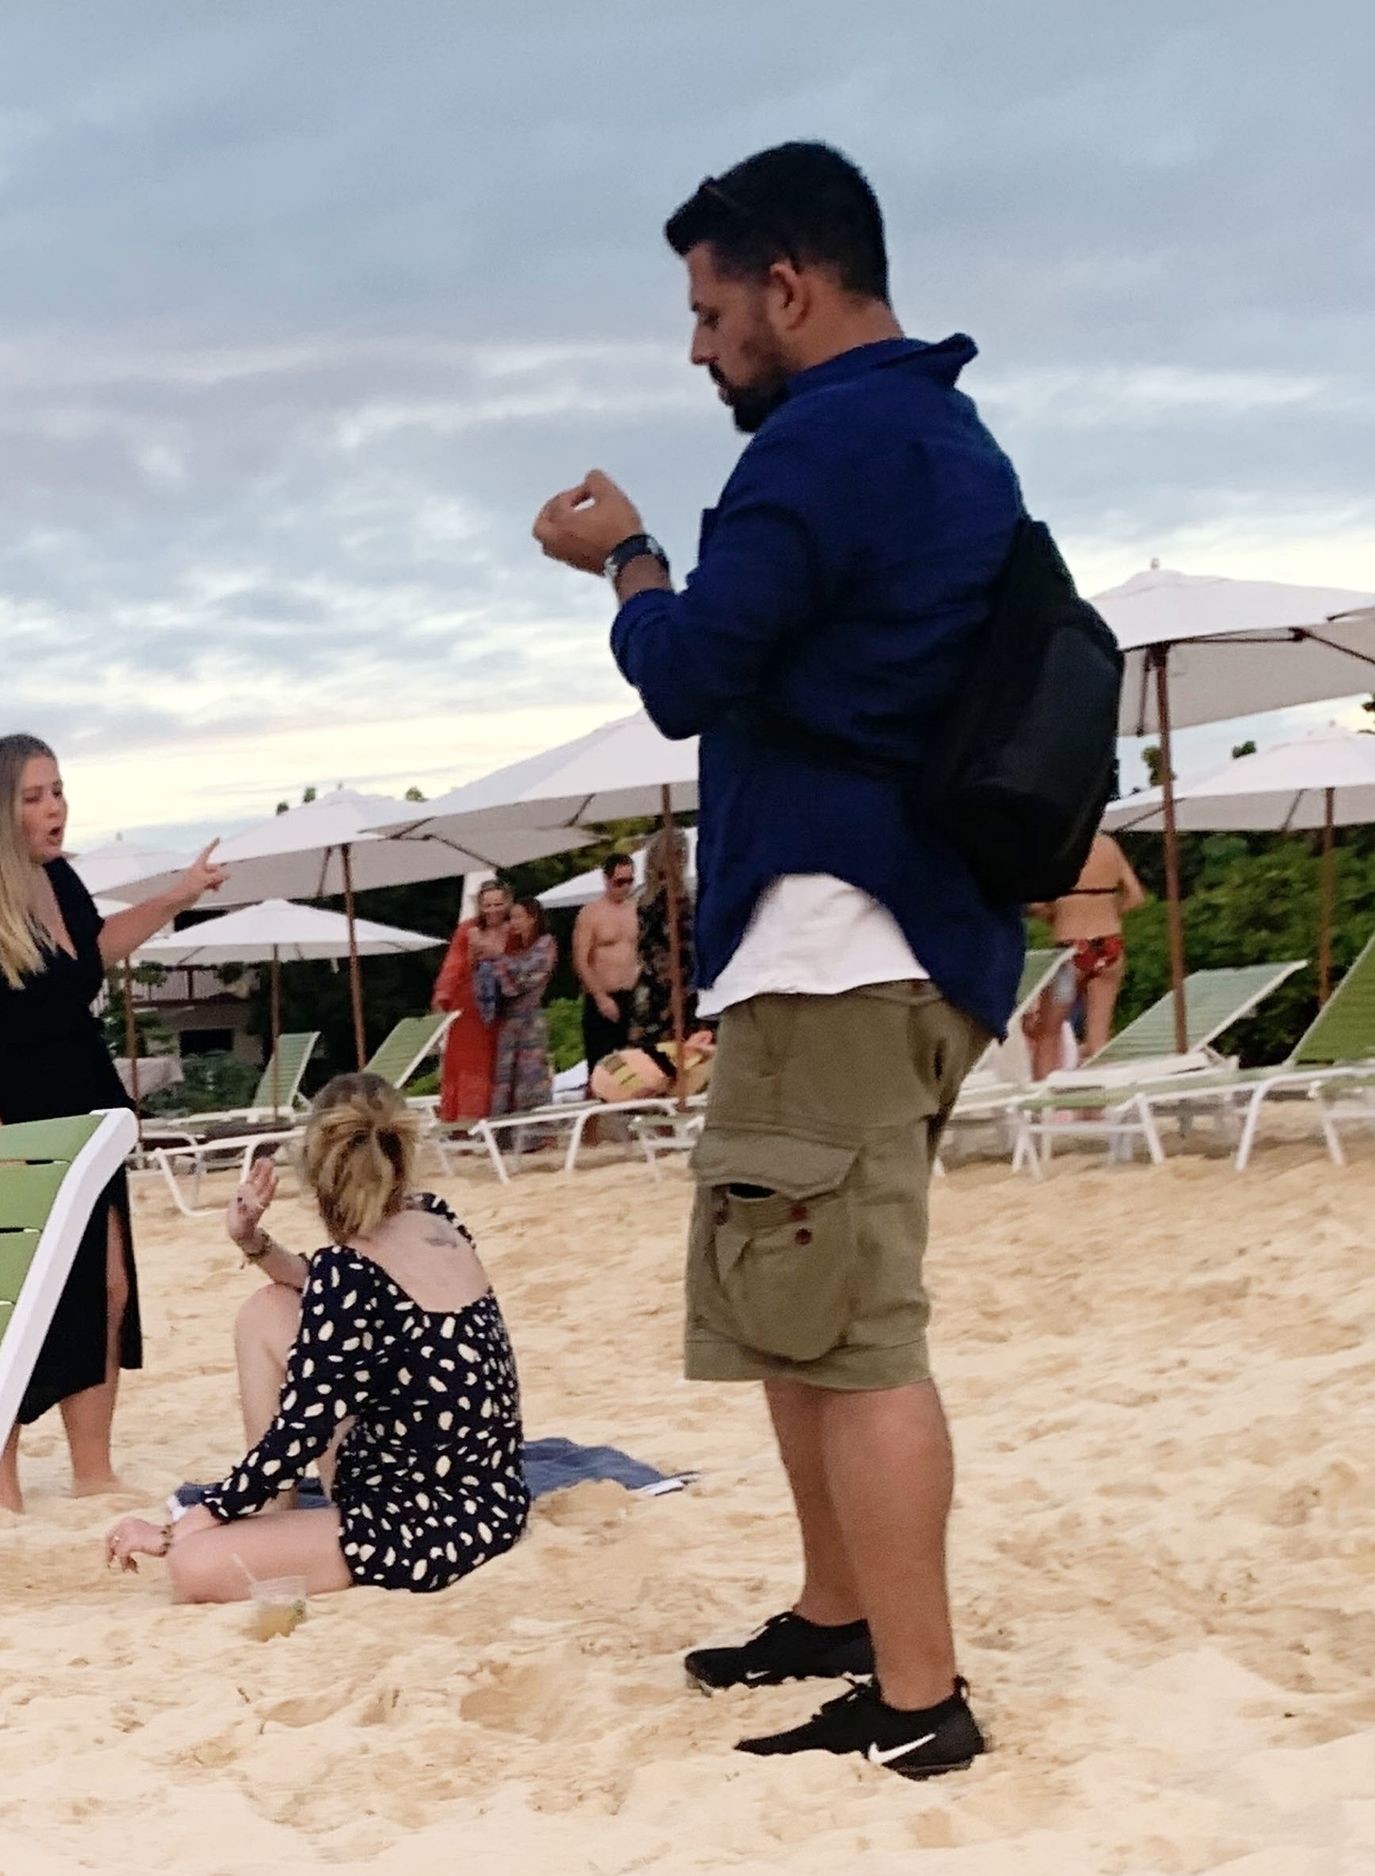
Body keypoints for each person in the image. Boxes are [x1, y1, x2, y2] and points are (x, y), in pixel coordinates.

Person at [532, 143, 1025, 1776]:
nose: (696, 346)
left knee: (852, 1327)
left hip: (837, 939)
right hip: (890, 933)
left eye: (705, 310)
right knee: (794, 1305)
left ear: (787, 290)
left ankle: (917, 1698)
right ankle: (836, 1612)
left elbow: (687, 670)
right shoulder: (934, 434)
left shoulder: (826, 443)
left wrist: (628, 562)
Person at [0, 733, 225, 1511]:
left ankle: (93, 1469)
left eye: (57, 790)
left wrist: (177, 898)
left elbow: (89, 953)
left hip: (81, 1113)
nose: (55, 808)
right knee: (6, 1303)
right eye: (34, 797)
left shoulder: (58, 880)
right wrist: (2, 1159)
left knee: (105, 1287)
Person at [103, 1073, 529, 1600]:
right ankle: (271, 1514)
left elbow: (300, 1433)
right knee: (270, 1309)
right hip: (492, 1494)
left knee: (194, 1564)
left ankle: (265, 1520)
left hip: (421, 1523)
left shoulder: (347, 1273)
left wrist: (181, 1528)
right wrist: (252, 1241)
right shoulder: (436, 1220)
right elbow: (346, 1294)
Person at [1026, 833, 1146, 1071]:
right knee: (1098, 1037)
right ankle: (1099, 1094)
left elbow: (1036, 904)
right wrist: (1107, 914)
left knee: (1048, 1032)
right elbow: (1135, 896)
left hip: (1071, 952)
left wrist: (1056, 918)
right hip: (1109, 945)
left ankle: (1043, 1094)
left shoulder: (1057, 843)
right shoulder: (1108, 845)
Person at [431, 879, 512, 1123]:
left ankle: (503, 1122)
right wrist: (442, 997)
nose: (493, 910)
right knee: (469, 1064)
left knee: (502, 1063)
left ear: (508, 903)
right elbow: (453, 966)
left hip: (506, 1004)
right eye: (488, 905)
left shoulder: (515, 929)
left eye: (498, 904)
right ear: (480, 905)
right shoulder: (468, 930)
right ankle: (465, 1122)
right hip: (470, 1006)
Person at [482, 897, 557, 1126]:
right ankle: (506, 1132)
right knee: (507, 1079)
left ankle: (537, 1132)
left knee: (531, 1075)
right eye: (511, 918)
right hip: (509, 1020)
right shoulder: (515, 949)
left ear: (532, 918)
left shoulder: (545, 944)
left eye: (518, 917)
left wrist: (498, 958)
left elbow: (525, 977)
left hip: (530, 1018)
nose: (513, 922)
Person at [629, 826, 697, 1067]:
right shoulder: (675, 899)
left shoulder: (644, 899)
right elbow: (679, 945)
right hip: (675, 986)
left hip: (650, 985)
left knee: (652, 1058)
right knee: (679, 1057)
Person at [572, 852, 641, 1089]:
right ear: (606, 879)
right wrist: (600, 997)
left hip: (631, 994)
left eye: (629, 881)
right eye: (619, 882)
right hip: (602, 996)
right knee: (602, 1071)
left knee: (634, 1069)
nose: (625, 887)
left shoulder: (635, 910)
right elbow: (581, 960)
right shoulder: (591, 913)